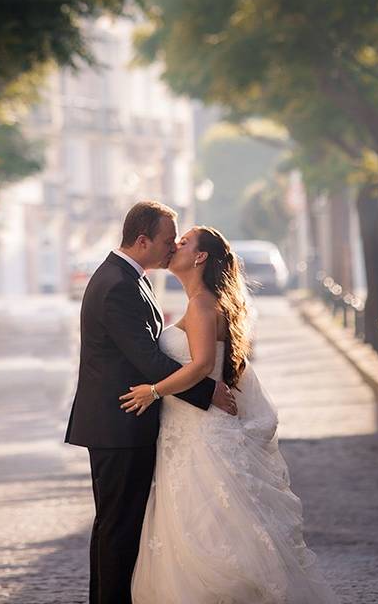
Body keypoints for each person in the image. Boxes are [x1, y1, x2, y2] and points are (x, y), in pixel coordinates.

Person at [121, 226, 336, 603]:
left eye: (183, 243)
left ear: (200, 257)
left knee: (209, 533)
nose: (174, 246)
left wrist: (153, 391)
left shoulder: (202, 303)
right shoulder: (200, 301)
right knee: (196, 529)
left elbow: (203, 365)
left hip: (201, 434)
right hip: (187, 429)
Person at [64, 202, 237, 604]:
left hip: (130, 422)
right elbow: (148, 359)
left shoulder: (130, 277)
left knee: (121, 527)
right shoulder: (118, 284)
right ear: (142, 241)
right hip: (120, 424)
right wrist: (206, 390)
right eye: (165, 239)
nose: (172, 246)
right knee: (118, 529)